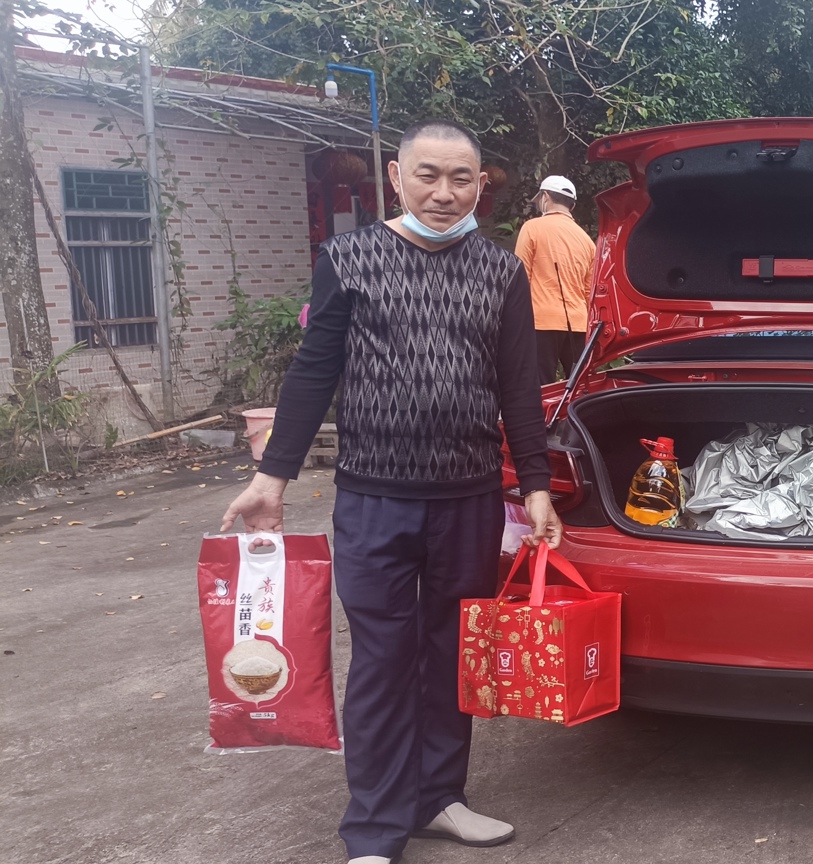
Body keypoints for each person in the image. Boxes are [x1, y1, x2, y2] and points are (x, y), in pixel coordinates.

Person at [221, 119, 562, 864]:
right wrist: (272, 476)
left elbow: (518, 386)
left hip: (469, 498)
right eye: (428, 175)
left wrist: (535, 484)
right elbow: (315, 371)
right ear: (396, 177)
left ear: (481, 185)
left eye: (461, 178)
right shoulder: (348, 259)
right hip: (375, 498)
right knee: (382, 658)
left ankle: (438, 798)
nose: (444, 193)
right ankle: (374, 827)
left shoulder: (501, 271)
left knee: (450, 653)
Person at [515, 174, 595, 382]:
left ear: (546, 196)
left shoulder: (532, 228)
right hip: (579, 323)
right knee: (580, 385)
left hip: (541, 321)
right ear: (572, 205)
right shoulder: (587, 241)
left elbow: (520, 278)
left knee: (541, 387)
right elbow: (590, 291)